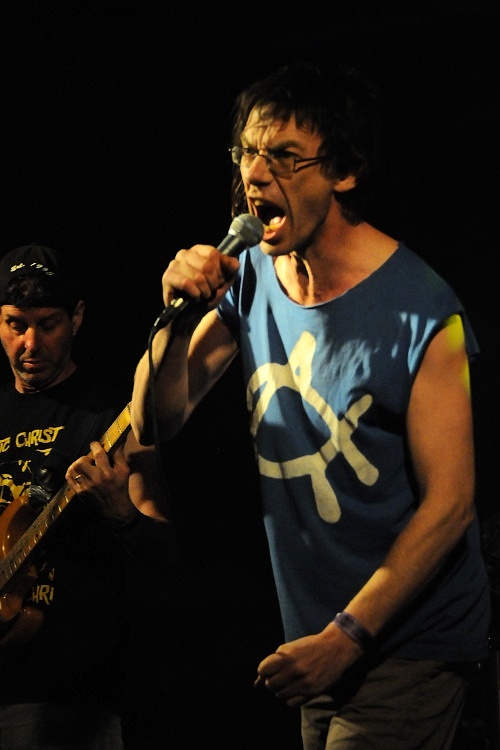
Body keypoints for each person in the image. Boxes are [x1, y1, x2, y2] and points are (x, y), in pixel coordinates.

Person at [129, 61, 491, 749]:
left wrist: (346, 637)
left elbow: (452, 505)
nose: (255, 176)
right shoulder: (254, 275)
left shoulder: (423, 311)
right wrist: (175, 316)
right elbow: (156, 420)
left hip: (406, 642)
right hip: (315, 637)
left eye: (285, 158)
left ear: (344, 172)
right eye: (247, 154)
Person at [0, 243, 177, 749]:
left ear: (76, 317)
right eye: (15, 324)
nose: (31, 343)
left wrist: (121, 512)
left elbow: (167, 557)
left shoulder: (115, 421)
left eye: (48, 324)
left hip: (73, 700)